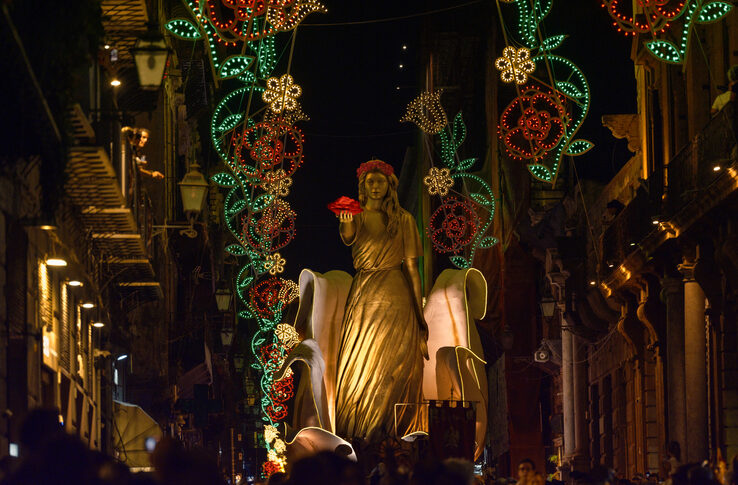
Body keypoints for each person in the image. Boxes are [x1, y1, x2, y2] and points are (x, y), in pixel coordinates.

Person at [334, 159, 428, 442]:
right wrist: (346, 223)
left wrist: (419, 314)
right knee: (359, 358)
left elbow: (412, 268)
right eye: (370, 182)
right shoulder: (356, 215)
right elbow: (348, 238)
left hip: (397, 294)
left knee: (398, 362)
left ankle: (396, 430)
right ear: (363, 186)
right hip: (365, 293)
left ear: (390, 185)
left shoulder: (405, 220)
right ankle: (359, 430)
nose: (375, 187)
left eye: (380, 181)